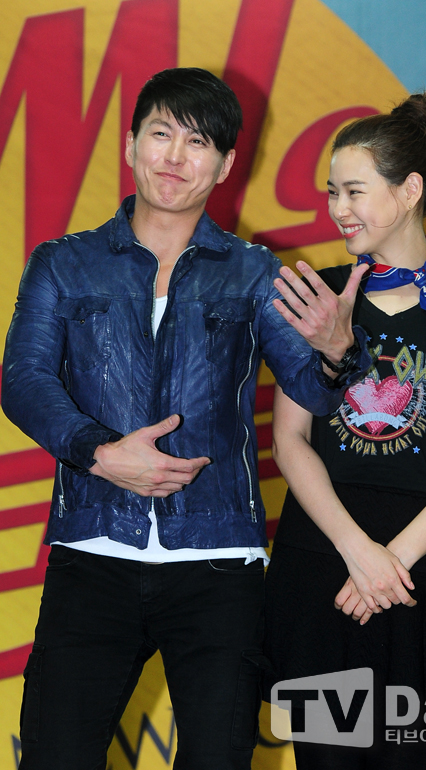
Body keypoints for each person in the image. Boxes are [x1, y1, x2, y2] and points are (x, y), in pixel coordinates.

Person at [1, 67, 371, 770]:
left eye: (197, 142)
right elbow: (23, 381)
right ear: (131, 145)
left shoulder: (256, 273)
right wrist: (101, 452)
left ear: (226, 165)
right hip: (93, 553)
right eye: (161, 134)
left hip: (219, 563)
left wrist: (336, 353)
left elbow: (316, 392)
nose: (174, 156)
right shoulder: (62, 263)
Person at [264, 92, 426, 769]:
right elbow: (289, 440)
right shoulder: (316, 295)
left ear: (409, 191)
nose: (338, 208)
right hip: (325, 560)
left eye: (354, 190)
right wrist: (358, 552)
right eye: (332, 192)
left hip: (419, 568)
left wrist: (393, 561)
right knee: (326, 758)